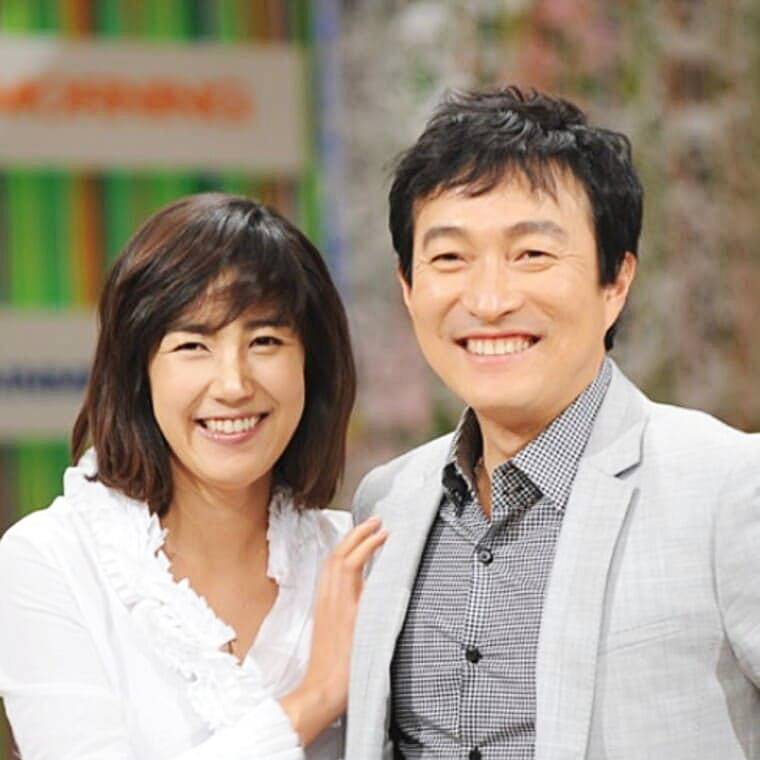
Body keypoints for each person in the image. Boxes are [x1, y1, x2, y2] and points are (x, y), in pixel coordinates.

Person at [347, 86, 760, 759]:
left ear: (615, 282)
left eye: (532, 254)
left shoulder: (730, 485)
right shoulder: (387, 502)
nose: (489, 299)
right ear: (408, 287)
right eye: (449, 258)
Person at [0, 193, 387, 760]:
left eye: (265, 341)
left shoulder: (356, 561)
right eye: (193, 345)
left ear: (311, 364)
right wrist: (316, 698)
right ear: (139, 374)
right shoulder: (50, 560)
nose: (233, 384)